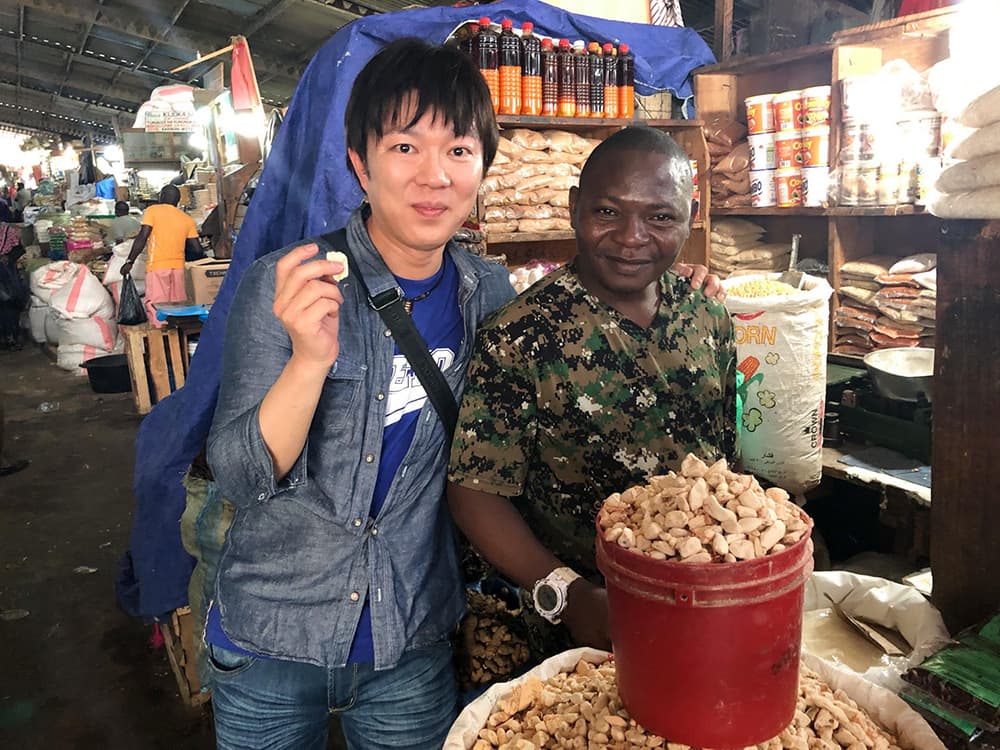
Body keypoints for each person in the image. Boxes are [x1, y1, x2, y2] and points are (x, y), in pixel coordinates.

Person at [203, 41, 720, 750]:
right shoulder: (289, 282)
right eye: (405, 147)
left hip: (410, 640)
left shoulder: (491, 295)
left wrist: (676, 290)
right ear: (360, 163)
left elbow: (582, 307)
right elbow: (242, 475)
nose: (433, 177)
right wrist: (309, 361)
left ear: (482, 170)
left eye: (459, 151)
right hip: (272, 635)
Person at [447, 126, 738, 665]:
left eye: (660, 217)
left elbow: (722, 456)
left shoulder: (707, 314)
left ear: (690, 216)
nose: (632, 237)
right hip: (575, 628)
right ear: (575, 208)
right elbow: (475, 491)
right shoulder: (522, 334)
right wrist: (566, 592)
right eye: (608, 212)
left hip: (702, 606)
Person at [121, 185, 200, 325]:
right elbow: (197, 249)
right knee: (178, 307)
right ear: (178, 200)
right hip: (178, 269)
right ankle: (177, 340)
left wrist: (129, 261)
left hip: (157, 267)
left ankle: (160, 340)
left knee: (157, 307)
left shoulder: (153, 211)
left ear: (161, 197)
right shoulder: (187, 219)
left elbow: (143, 236)